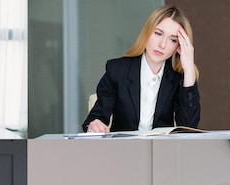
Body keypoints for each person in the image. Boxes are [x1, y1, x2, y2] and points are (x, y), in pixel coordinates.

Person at [82, 5, 200, 133]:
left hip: (162, 150)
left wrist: (188, 69)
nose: (162, 45)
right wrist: (94, 125)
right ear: (147, 32)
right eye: (158, 33)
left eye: (172, 40)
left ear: (179, 45)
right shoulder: (118, 70)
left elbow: (189, 127)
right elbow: (96, 118)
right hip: (123, 149)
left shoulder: (179, 77)